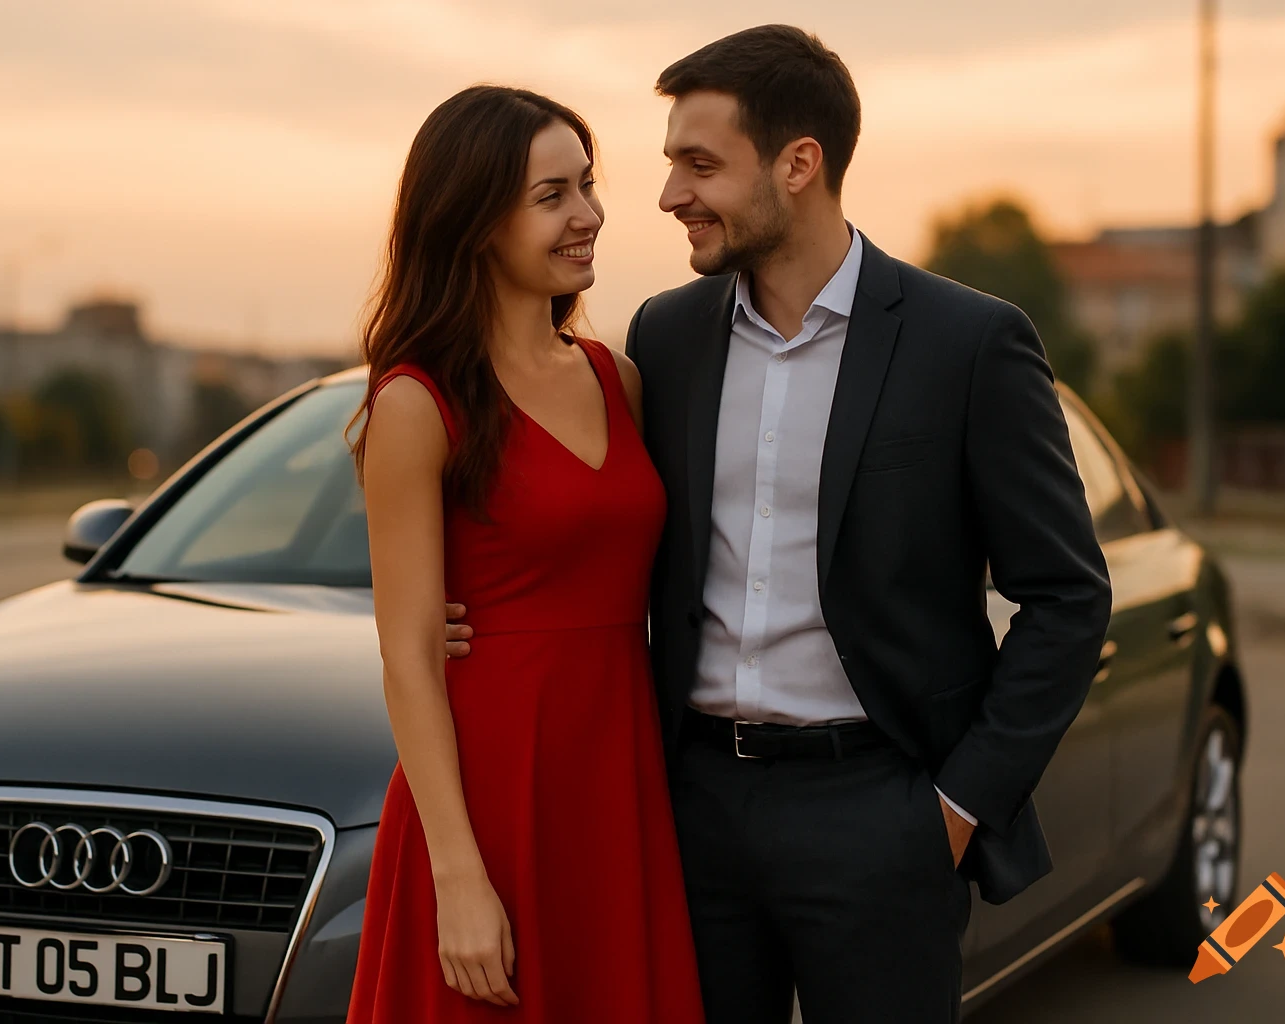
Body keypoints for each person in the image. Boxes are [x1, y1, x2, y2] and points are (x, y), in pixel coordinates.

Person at [445, 25, 1113, 1024]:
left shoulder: (966, 344)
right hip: (691, 813)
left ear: (799, 165)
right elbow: (589, 519)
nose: (670, 194)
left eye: (700, 164)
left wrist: (955, 808)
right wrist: (475, 616)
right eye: (671, 162)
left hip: (881, 814)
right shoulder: (665, 340)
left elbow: (1068, 597)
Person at [347, 85, 706, 1024]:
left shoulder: (615, 377)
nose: (588, 215)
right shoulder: (416, 405)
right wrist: (458, 875)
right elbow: (411, 658)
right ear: (473, 221)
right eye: (552, 196)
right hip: (490, 796)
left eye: (587, 187)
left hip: (617, 782)